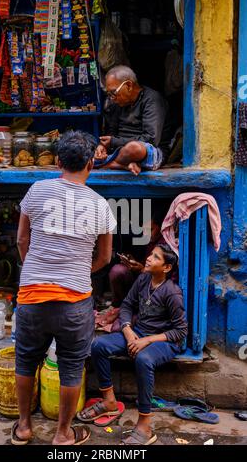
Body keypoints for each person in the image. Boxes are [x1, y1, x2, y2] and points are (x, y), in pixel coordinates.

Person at [13, 131, 116, 446]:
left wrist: (32, 268)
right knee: (71, 367)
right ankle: (62, 434)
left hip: (32, 295)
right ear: (90, 164)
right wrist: (80, 271)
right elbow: (105, 257)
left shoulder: (37, 190)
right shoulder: (99, 205)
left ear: (58, 161)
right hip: (75, 300)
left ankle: (24, 427)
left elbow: (21, 240)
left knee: (25, 361)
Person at [77, 244, 188, 445]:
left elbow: (180, 331)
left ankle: (145, 425)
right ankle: (109, 401)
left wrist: (147, 340)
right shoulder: (144, 279)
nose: (148, 258)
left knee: (143, 359)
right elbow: (127, 305)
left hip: (164, 341)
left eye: (155, 257)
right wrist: (128, 330)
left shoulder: (172, 293)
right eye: (151, 254)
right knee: (98, 345)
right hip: (137, 333)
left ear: (166, 268)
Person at [94, 65, 172, 175]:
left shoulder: (152, 100)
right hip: (120, 151)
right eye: (109, 94)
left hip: (149, 151)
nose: (112, 98)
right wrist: (103, 146)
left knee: (134, 148)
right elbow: (111, 133)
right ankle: (122, 165)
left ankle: (110, 164)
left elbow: (151, 139)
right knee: (85, 152)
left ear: (129, 86)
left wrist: (114, 142)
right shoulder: (117, 103)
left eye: (113, 93)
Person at [109, 210, 166, 309]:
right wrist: (134, 262)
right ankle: (120, 307)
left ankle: (128, 309)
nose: (146, 233)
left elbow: (159, 275)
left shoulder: (165, 245)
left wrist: (141, 269)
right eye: (144, 229)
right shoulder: (149, 242)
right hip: (141, 283)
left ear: (161, 228)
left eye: (150, 229)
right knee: (117, 270)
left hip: (154, 292)